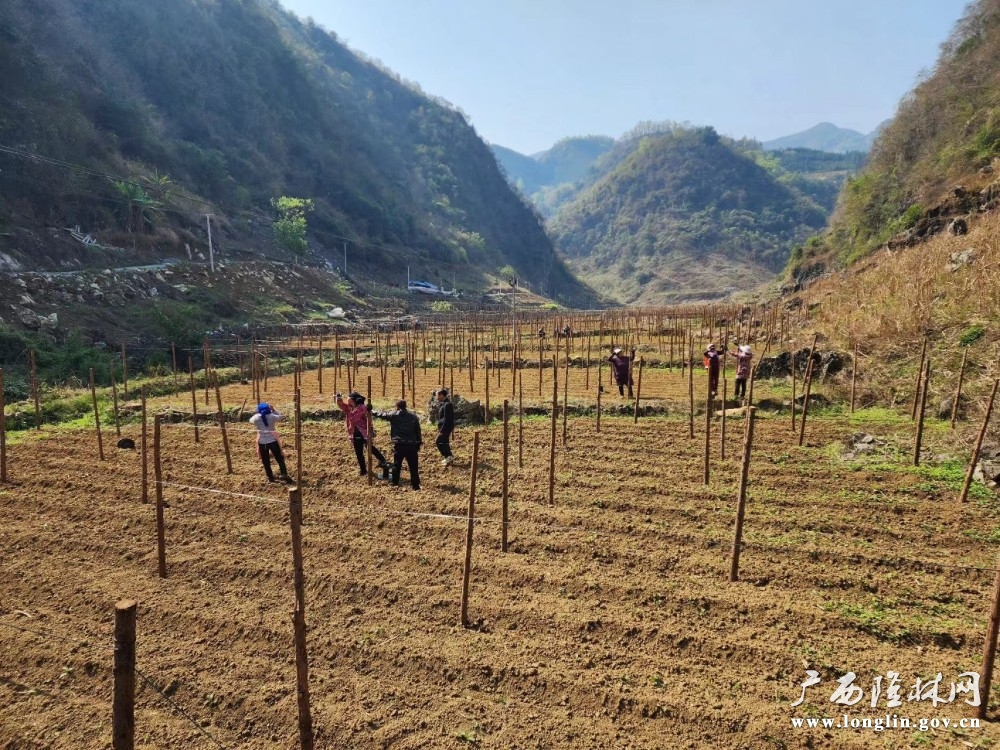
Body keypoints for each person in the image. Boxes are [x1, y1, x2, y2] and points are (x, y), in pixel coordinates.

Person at [371, 399, 422, 490]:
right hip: (411, 445)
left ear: (397, 407)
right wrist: (418, 444)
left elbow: (381, 415)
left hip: (399, 445)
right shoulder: (413, 417)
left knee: (397, 465)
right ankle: (415, 485)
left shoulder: (393, 415)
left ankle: (395, 482)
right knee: (413, 466)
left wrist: (371, 410)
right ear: (405, 406)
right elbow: (418, 431)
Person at [336, 392, 389, 476]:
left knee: (369, 447)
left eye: (348, 398)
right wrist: (338, 398)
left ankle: (382, 460)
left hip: (364, 432)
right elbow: (341, 405)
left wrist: (348, 410)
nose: (347, 399)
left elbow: (354, 418)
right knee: (359, 452)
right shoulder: (350, 407)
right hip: (354, 432)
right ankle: (363, 470)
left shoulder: (361, 407)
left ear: (353, 400)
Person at [249, 403, 292, 483]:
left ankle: (270, 477)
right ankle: (283, 474)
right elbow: (281, 417)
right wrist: (274, 410)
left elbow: (250, 420)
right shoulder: (272, 416)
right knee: (279, 458)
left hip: (262, 443)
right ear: (268, 409)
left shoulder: (256, 418)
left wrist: (259, 413)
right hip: (273, 441)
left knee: (266, 461)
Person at [435, 388, 455, 466]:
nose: (436, 397)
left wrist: (442, 430)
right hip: (444, 427)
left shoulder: (448, 404)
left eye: (437, 395)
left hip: (446, 427)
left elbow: (447, 419)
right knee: (444, 442)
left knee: (438, 441)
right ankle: (448, 458)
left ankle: (449, 456)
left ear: (441, 395)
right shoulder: (444, 404)